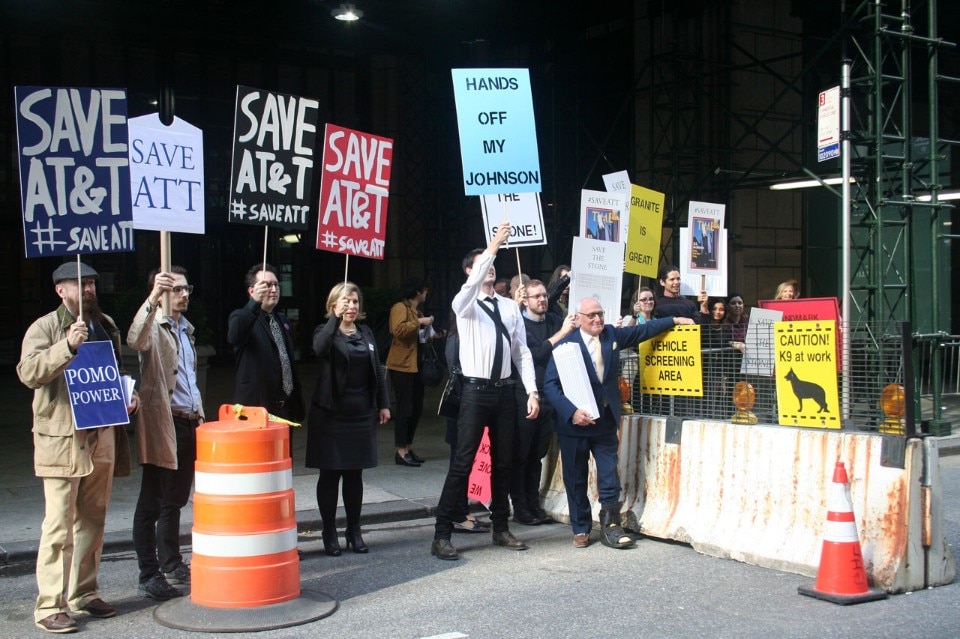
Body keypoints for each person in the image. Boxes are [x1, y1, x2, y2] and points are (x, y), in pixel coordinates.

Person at [17, 262, 137, 634]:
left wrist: (124, 397)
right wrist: (67, 346)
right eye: (80, 284)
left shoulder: (106, 324)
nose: (89, 289)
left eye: (93, 284)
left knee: (93, 519)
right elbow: (29, 372)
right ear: (60, 290)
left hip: (102, 434)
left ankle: (84, 592)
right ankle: (49, 606)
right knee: (59, 525)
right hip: (63, 439)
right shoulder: (44, 328)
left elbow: (110, 373)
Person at [544, 297, 693, 550]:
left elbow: (642, 331)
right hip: (574, 425)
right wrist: (572, 413)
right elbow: (550, 385)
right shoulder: (565, 345)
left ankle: (611, 525)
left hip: (604, 420)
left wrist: (674, 320)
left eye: (600, 313)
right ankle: (581, 527)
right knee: (576, 477)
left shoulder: (611, 335)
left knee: (608, 474)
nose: (597, 319)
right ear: (578, 318)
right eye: (591, 315)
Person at [431, 223, 540, 561]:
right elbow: (472, 282)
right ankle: (442, 534)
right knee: (462, 462)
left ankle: (500, 527)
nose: (489, 267)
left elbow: (521, 352)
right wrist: (493, 245)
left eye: (492, 263)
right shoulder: (465, 303)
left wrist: (532, 391)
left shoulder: (509, 306)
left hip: (505, 392)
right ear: (471, 271)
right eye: (482, 264)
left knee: (504, 463)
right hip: (475, 392)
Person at [126, 266, 202, 601]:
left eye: (187, 289)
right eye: (177, 290)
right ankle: (149, 573)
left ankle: (171, 563)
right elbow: (134, 339)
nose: (184, 295)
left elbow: (189, 379)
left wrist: (200, 416)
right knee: (152, 502)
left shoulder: (186, 330)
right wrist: (154, 295)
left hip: (188, 421)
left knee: (175, 500)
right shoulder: (154, 326)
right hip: (163, 422)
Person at [305, 282, 390, 556]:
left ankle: (354, 530)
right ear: (333, 305)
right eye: (345, 302)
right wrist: (335, 319)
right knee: (330, 475)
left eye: (355, 302)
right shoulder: (325, 331)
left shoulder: (366, 333)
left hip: (361, 413)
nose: (351, 306)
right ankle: (329, 531)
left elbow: (377, 369)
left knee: (355, 475)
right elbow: (319, 349)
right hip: (330, 416)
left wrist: (384, 404)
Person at [511, 279, 576, 525]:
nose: (542, 300)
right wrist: (563, 333)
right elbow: (536, 352)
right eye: (536, 296)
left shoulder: (554, 320)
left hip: (550, 396)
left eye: (544, 296)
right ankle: (520, 507)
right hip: (526, 396)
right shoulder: (520, 324)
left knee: (537, 454)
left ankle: (533, 503)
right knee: (522, 454)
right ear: (525, 300)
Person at [227, 263, 304, 421]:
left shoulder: (281, 319)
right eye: (267, 285)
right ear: (252, 291)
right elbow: (235, 336)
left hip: (285, 408)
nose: (274, 289)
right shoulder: (242, 316)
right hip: (256, 409)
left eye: (276, 285)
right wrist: (254, 303)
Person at [442, 313, 491, 534]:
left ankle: (462, 511)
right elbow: (456, 371)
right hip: (460, 406)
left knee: (464, 462)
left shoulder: (465, 336)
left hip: (469, 406)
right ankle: (457, 514)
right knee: (459, 463)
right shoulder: (456, 337)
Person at [385, 278, 435, 467]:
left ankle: (408, 446)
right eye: (425, 290)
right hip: (401, 365)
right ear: (418, 291)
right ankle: (401, 451)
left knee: (416, 408)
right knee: (405, 409)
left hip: (416, 365)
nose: (426, 293)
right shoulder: (400, 307)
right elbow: (398, 330)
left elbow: (417, 336)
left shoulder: (416, 311)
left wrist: (432, 334)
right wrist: (419, 322)